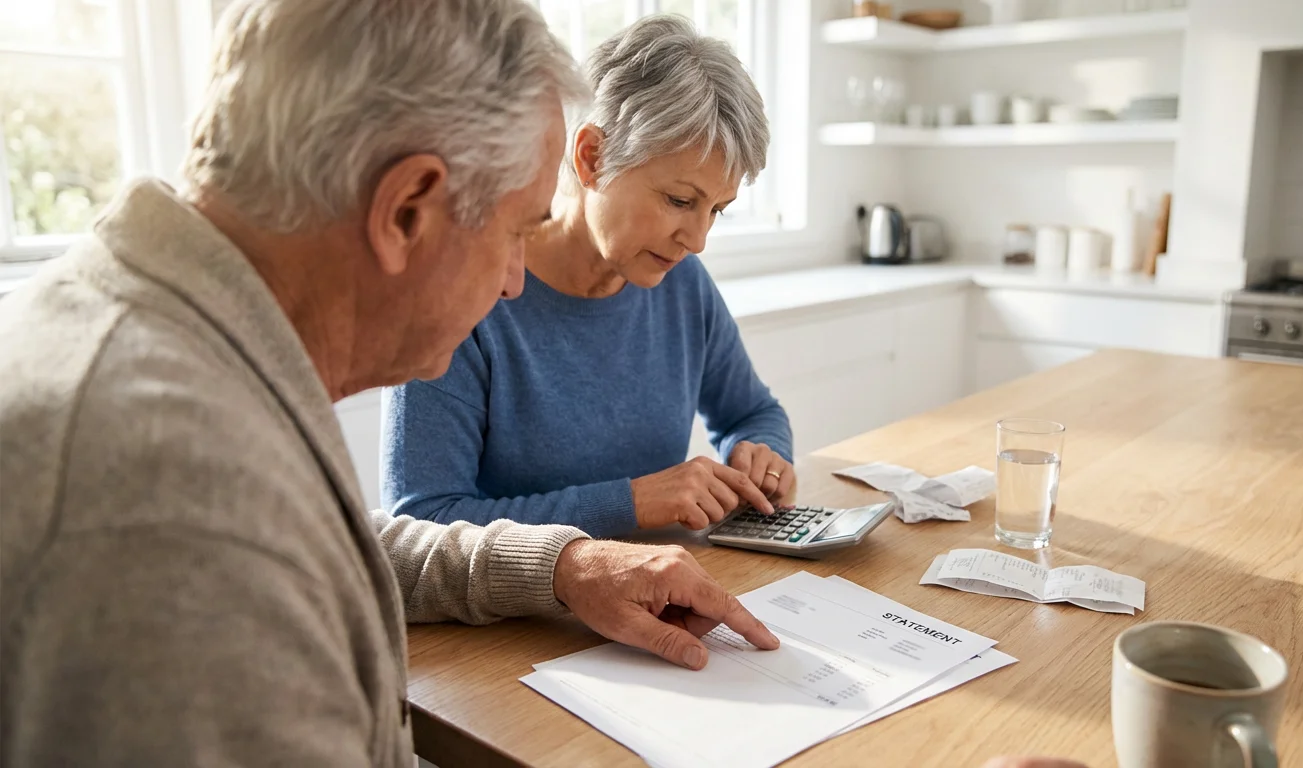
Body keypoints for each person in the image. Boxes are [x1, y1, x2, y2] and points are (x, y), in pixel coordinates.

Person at [0, 1, 781, 764]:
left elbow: (344, 541)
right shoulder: (180, 498)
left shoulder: (189, 340)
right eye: (515, 230)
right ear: (406, 209)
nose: (515, 282)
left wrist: (563, 566)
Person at [381, 14, 795, 538]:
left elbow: (753, 411)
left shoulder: (683, 284)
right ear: (591, 157)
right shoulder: (470, 292)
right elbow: (419, 523)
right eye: (680, 200)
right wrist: (630, 503)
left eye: (716, 209)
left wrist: (762, 455)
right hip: (516, 619)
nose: (697, 240)